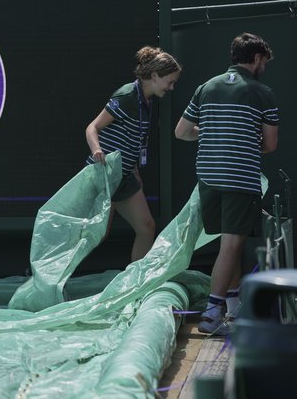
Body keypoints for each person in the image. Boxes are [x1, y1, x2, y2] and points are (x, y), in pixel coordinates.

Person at [175, 32, 278, 335]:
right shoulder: (263, 92)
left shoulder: (206, 87)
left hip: (208, 177)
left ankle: (233, 307)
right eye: (264, 62)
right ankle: (211, 315)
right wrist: (243, 138)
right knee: (233, 245)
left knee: (226, 245)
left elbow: (182, 131)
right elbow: (270, 145)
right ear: (257, 58)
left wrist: (212, 133)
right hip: (240, 179)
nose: (264, 67)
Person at [85, 46, 181, 262]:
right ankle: (54, 280)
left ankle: (134, 285)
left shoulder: (148, 100)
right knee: (96, 235)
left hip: (125, 177)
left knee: (147, 228)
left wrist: (134, 169)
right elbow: (92, 128)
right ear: (155, 76)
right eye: (170, 81)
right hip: (105, 176)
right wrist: (97, 150)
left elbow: (133, 140)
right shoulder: (127, 95)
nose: (172, 87)